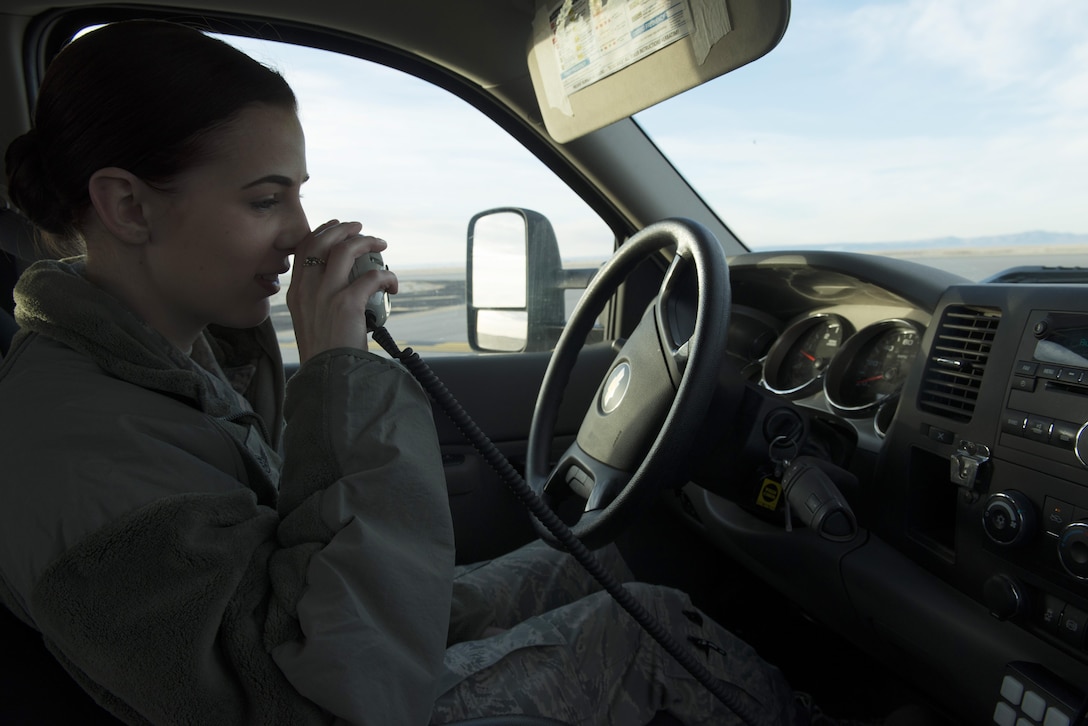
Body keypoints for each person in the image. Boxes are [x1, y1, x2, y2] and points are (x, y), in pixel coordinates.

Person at [0, 19, 803, 725]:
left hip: (322, 647)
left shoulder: (167, 356)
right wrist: (339, 372)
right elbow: (330, 697)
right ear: (130, 208)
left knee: (588, 559)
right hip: (328, 697)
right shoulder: (79, 457)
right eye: (263, 201)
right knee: (640, 629)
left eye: (297, 198)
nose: (299, 235)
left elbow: (305, 566)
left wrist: (329, 375)